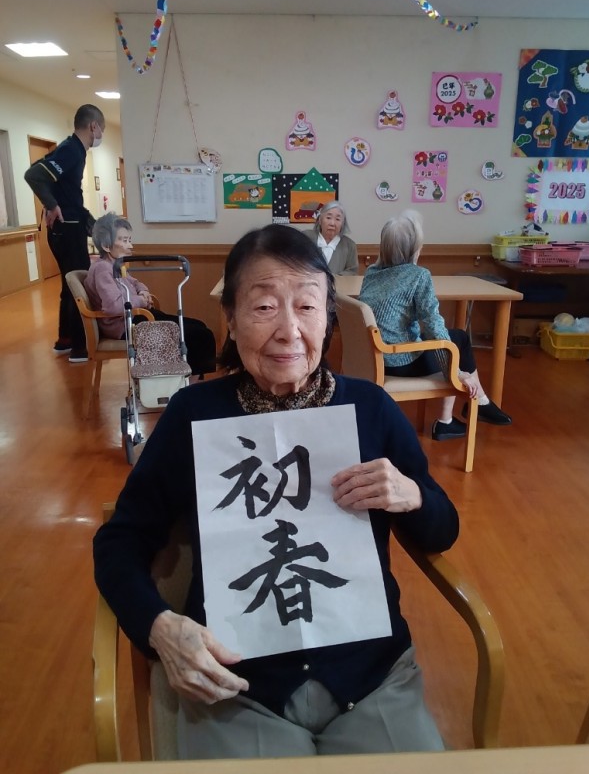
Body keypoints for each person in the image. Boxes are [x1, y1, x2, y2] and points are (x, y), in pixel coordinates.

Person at [94, 224, 459, 759]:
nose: (290, 331)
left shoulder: (370, 409)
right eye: (264, 307)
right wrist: (159, 626)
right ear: (230, 318)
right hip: (237, 685)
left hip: (371, 675)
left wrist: (414, 497)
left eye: (307, 307)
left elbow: (442, 530)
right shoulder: (194, 415)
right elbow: (120, 541)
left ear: (328, 318)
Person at [359, 210, 511, 441]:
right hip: (400, 361)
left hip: (374, 356)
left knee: (451, 338)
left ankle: (459, 414)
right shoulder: (418, 275)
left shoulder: (371, 273)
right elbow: (433, 325)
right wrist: (457, 373)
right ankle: (472, 406)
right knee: (458, 339)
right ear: (415, 249)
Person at [85, 213, 216, 376]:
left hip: (139, 317)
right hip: (126, 326)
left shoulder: (116, 266)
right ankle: (188, 384)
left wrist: (143, 292)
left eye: (129, 240)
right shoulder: (102, 269)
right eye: (124, 241)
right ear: (106, 246)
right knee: (199, 335)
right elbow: (113, 306)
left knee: (198, 325)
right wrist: (140, 300)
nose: (130, 246)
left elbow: (136, 283)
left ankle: (189, 381)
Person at [24, 104, 106, 363]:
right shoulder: (71, 149)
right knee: (78, 284)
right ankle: (80, 348)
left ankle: (65, 340)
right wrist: (51, 204)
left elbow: (44, 171)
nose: (100, 135)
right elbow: (33, 174)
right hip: (66, 229)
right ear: (93, 126)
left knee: (69, 285)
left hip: (69, 225)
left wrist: (87, 220)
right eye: (101, 129)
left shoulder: (70, 148)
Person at [303, 200, 358, 275]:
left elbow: (352, 272)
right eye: (328, 218)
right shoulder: (306, 237)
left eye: (337, 219)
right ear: (320, 220)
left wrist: (334, 278)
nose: (332, 223)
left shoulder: (349, 245)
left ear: (342, 224)